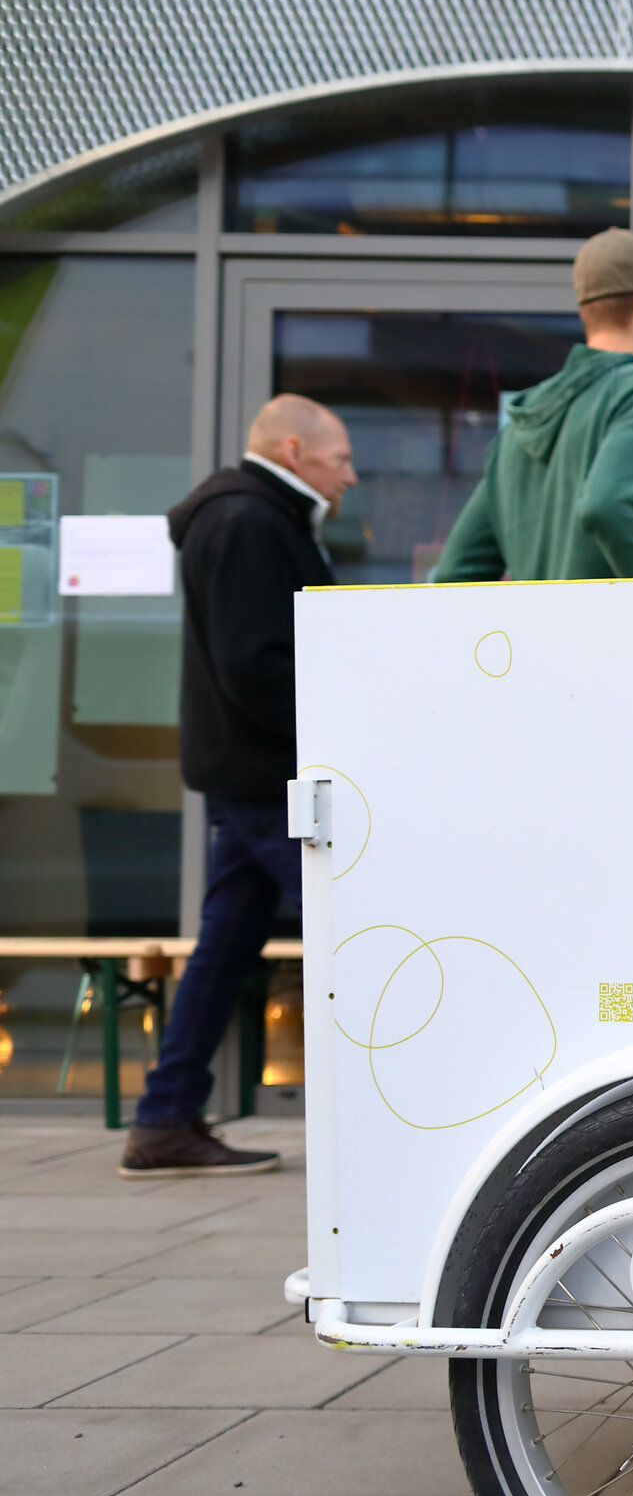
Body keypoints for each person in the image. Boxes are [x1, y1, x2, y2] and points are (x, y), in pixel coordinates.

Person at [127, 395, 357, 1176]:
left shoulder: (254, 516)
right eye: (339, 459)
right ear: (293, 450)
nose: (351, 476)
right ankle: (403, 1112)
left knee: (223, 948)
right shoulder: (249, 521)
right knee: (365, 928)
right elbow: (255, 665)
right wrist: (339, 737)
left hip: (251, 774)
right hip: (268, 780)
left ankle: (164, 1117)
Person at [431, 228, 633, 582]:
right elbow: (610, 506)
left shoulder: (522, 422)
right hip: (614, 621)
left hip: (538, 621)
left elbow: (455, 573)